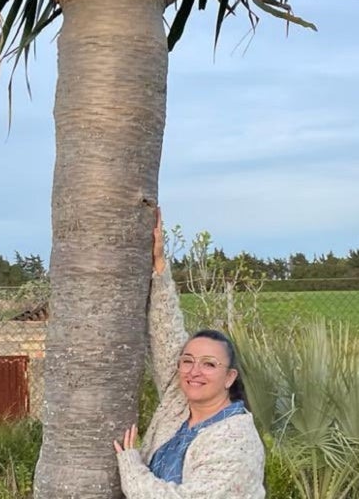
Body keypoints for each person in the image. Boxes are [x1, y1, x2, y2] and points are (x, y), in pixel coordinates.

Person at [113, 209, 266, 499]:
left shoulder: (236, 440)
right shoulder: (179, 403)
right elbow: (165, 332)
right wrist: (159, 266)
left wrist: (131, 469)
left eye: (209, 364)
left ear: (229, 377)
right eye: (187, 361)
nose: (194, 371)